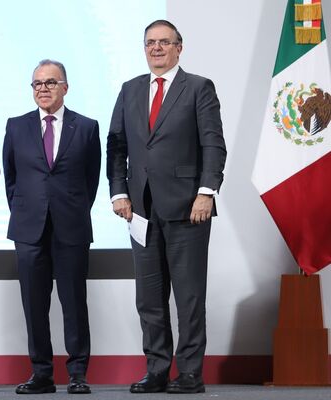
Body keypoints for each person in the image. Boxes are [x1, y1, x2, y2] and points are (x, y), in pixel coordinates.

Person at [106, 20, 227, 394]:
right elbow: (116, 146)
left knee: (189, 297)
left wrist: (206, 192)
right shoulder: (130, 89)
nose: (156, 48)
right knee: (149, 297)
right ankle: (157, 369)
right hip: (141, 210)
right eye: (150, 43)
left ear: (179, 47)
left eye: (164, 42)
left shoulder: (199, 88)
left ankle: (190, 373)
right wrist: (118, 192)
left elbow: (213, 144)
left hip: (189, 207)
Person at [3, 60, 101, 395]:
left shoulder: (86, 127)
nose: (43, 89)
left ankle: (77, 373)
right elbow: (11, 179)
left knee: (74, 302)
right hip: (28, 229)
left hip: (71, 226)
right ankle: (41, 373)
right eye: (37, 84)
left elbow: (90, 180)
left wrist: (72, 209)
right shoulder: (16, 127)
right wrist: (26, 210)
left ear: (65, 87)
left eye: (50, 82)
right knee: (34, 305)